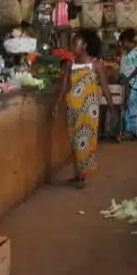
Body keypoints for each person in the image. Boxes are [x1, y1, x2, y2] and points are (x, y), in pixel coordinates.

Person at [53, 28, 113, 188]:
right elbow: (63, 87)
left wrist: (112, 108)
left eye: (75, 42)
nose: (72, 45)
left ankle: (83, 176)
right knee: (74, 141)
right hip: (72, 108)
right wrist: (58, 104)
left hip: (89, 110)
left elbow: (105, 88)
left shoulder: (97, 65)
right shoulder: (69, 65)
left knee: (85, 140)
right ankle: (78, 173)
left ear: (85, 45)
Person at [118, 28, 137, 139]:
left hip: (134, 84)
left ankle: (133, 133)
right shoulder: (125, 52)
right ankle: (126, 131)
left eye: (124, 42)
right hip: (125, 83)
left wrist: (128, 79)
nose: (123, 44)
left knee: (133, 109)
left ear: (129, 41)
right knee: (126, 109)